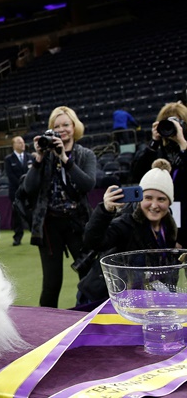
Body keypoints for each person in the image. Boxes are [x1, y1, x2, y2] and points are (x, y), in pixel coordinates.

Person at [24, 106, 97, 308]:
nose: (62, 129)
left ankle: (91, 318)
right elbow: (29, 188)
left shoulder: (85, 155)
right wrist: (39, 158)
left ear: (74, 127)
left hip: (78, 222)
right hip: (49, 225)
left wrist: (65, 159)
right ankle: (47, 328)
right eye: (57, 126)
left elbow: (88, 184)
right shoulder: (43, 156)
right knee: (51, 283)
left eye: (66, 124)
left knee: (88, 276)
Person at [79, 159, 179, 305]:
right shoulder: (126, 223)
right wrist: (104, 211)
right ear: (139, 199)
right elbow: (93, 241)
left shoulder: (169, 228)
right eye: (148, 198)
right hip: (101, 298)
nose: (154, 205)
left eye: (161, 199)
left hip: (135, 299)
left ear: (169, 203)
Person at [131, 101, 187, 249]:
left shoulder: (185, 147)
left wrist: (183, 143)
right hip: (162, 218)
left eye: (177, 123)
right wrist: (154, 142)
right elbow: (136, 174)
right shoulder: (156, 150)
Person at [4, 136, 33, 246]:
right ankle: (17, 237)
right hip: (16, 192)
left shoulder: (30, 157)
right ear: (14, 145)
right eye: (19, 142)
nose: (22, 144)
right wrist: (22, 186)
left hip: (29, 191)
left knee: (31, 213)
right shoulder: (9, 159)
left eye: (23, 142)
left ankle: (35, 234)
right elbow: (11, 176)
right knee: (17, 216)